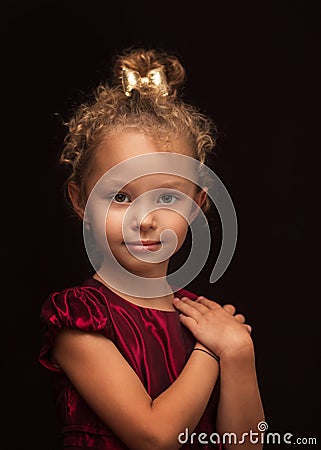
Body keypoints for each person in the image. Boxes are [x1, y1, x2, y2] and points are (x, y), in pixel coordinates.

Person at [39, 47, 265, 450]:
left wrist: (239, 351)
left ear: (198, 203)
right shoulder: (80, 319)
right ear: (80, 201)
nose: (144, 220)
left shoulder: (202, 318)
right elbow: (154, 438)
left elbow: (247, 445)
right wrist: (212, 352)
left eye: (166, 199)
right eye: (121, 197)